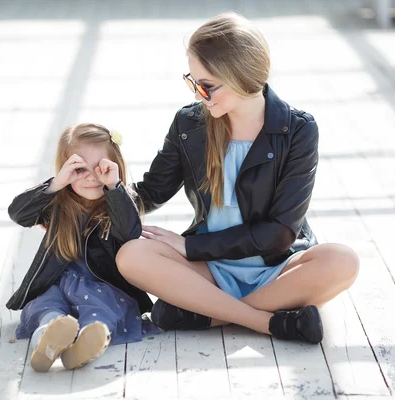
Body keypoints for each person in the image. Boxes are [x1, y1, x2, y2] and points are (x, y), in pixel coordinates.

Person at [116, 12, 360, 344]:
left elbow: (281, 232)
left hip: (279, 267)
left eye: (207, 86)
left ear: (240, 75)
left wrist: (190, 246)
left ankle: (206, 313)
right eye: (193, 82)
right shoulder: (190, 125)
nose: (199, 95)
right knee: (131, 255)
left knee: (342, 261)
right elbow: (150, 192)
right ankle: (266, 322)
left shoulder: (298, 130)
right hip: (211, 269)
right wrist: (106, 189)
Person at [6, 123, 157, 372]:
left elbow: (130, 233)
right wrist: (56, 184)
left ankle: (86, 344)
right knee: (46, 305)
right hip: (56, 281)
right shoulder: (57, 203)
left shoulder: (121, 202)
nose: (90, 176)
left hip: (102, 287)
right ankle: (47, 338)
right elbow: (18, 213)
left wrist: (114, 187)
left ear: (114, 167)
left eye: (100, 168)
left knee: (101, 309)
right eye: (79, 168)